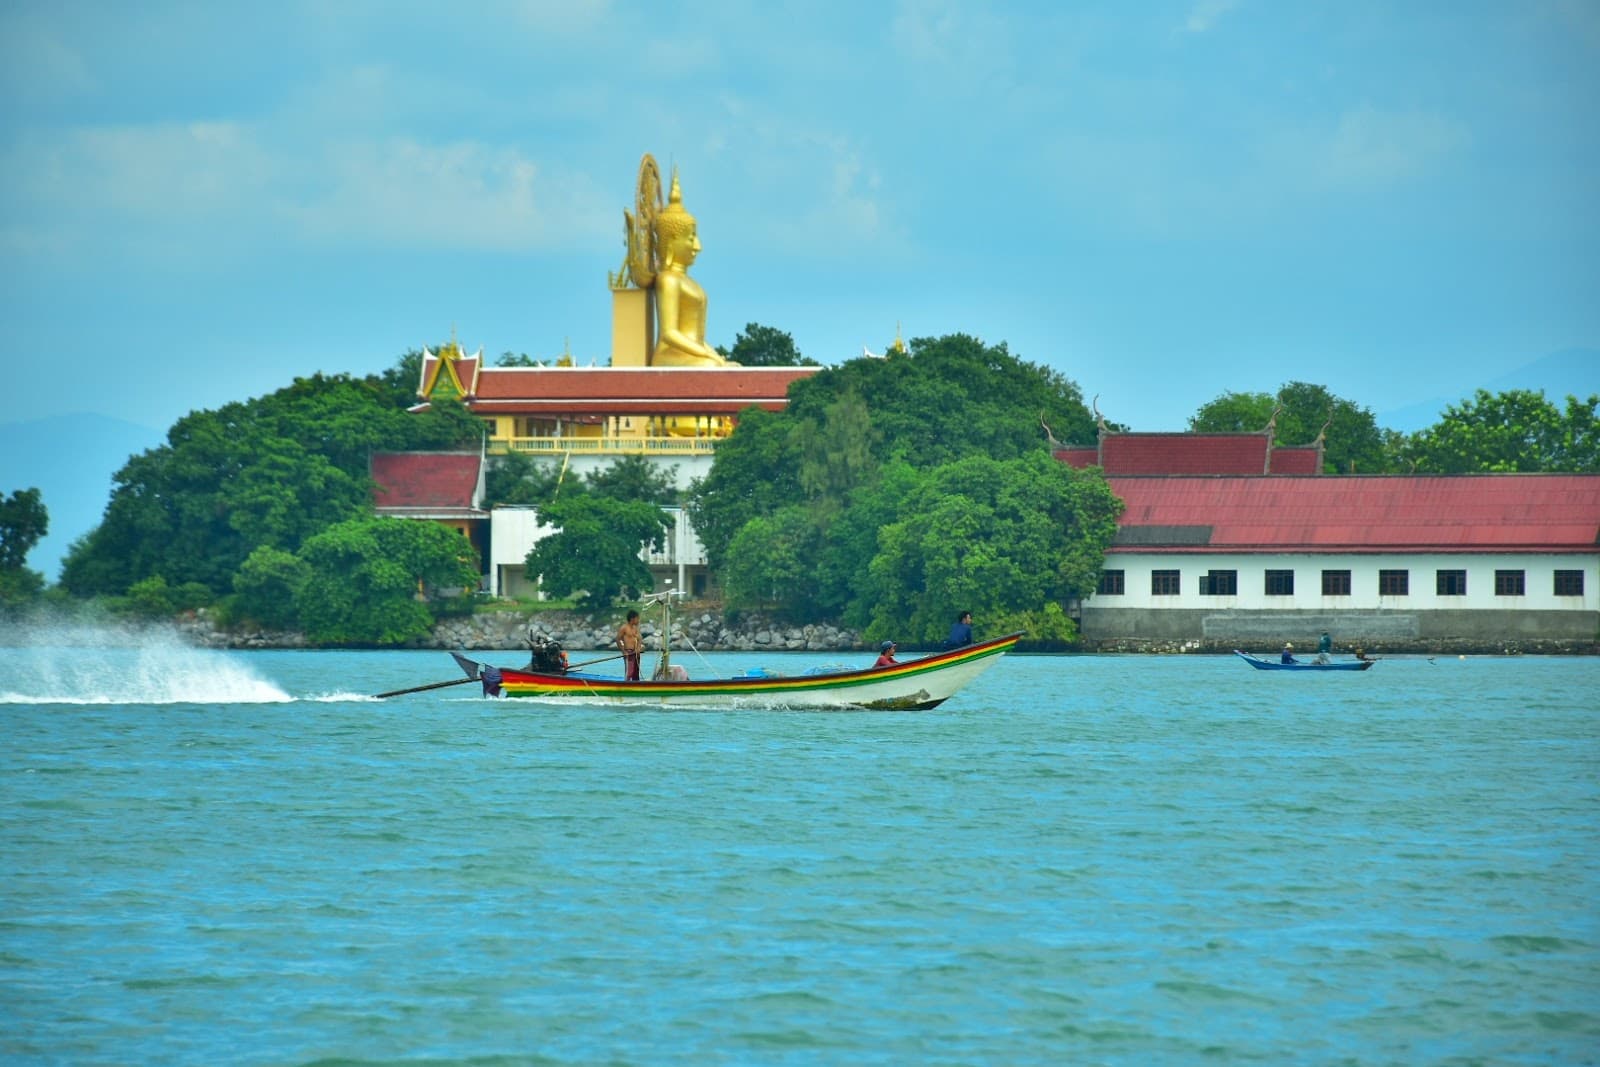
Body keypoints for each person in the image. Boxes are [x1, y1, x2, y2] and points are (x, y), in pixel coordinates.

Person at [650, 171, 733, 367]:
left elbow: (696, 337)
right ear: (672, 240)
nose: (697, 246)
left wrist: (716, 356)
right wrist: (709, 357)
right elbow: (669, 333)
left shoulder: (690, 283)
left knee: (720, 366)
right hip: (669, 355)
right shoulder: (668, 280)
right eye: (690, 238)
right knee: (712, 366)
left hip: (693, 352)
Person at [616, 610, 643, 681]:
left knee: (635, 673)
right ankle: (626, 684)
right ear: (632, 619)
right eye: (637, 618)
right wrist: (623, 651)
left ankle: (636, 684)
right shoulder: (624, 628)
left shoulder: (635, 628)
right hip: (628, 653)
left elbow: (640, 638)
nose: (638, 620)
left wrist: (638, 648)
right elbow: (618, 639)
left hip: (636, 653)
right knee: (629, 673)